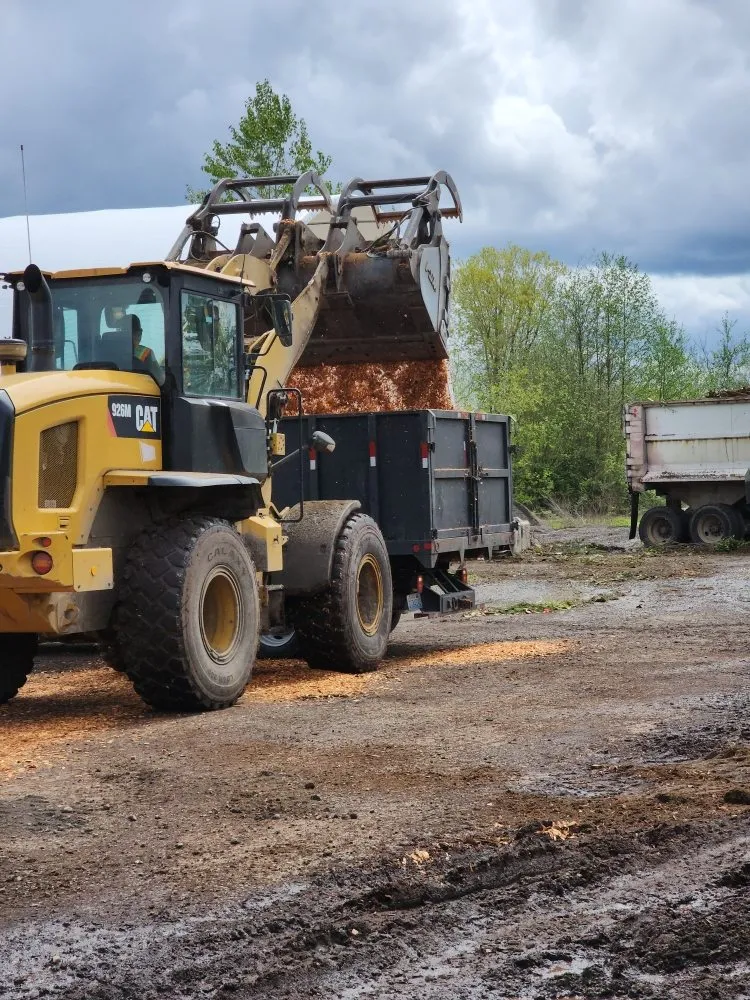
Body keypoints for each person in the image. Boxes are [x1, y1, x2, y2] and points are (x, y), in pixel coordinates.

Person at [130, 314, 164, 384]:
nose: (139, 336)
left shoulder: (105, 350)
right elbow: (160, 379)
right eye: (138, 333)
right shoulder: (147, 353)